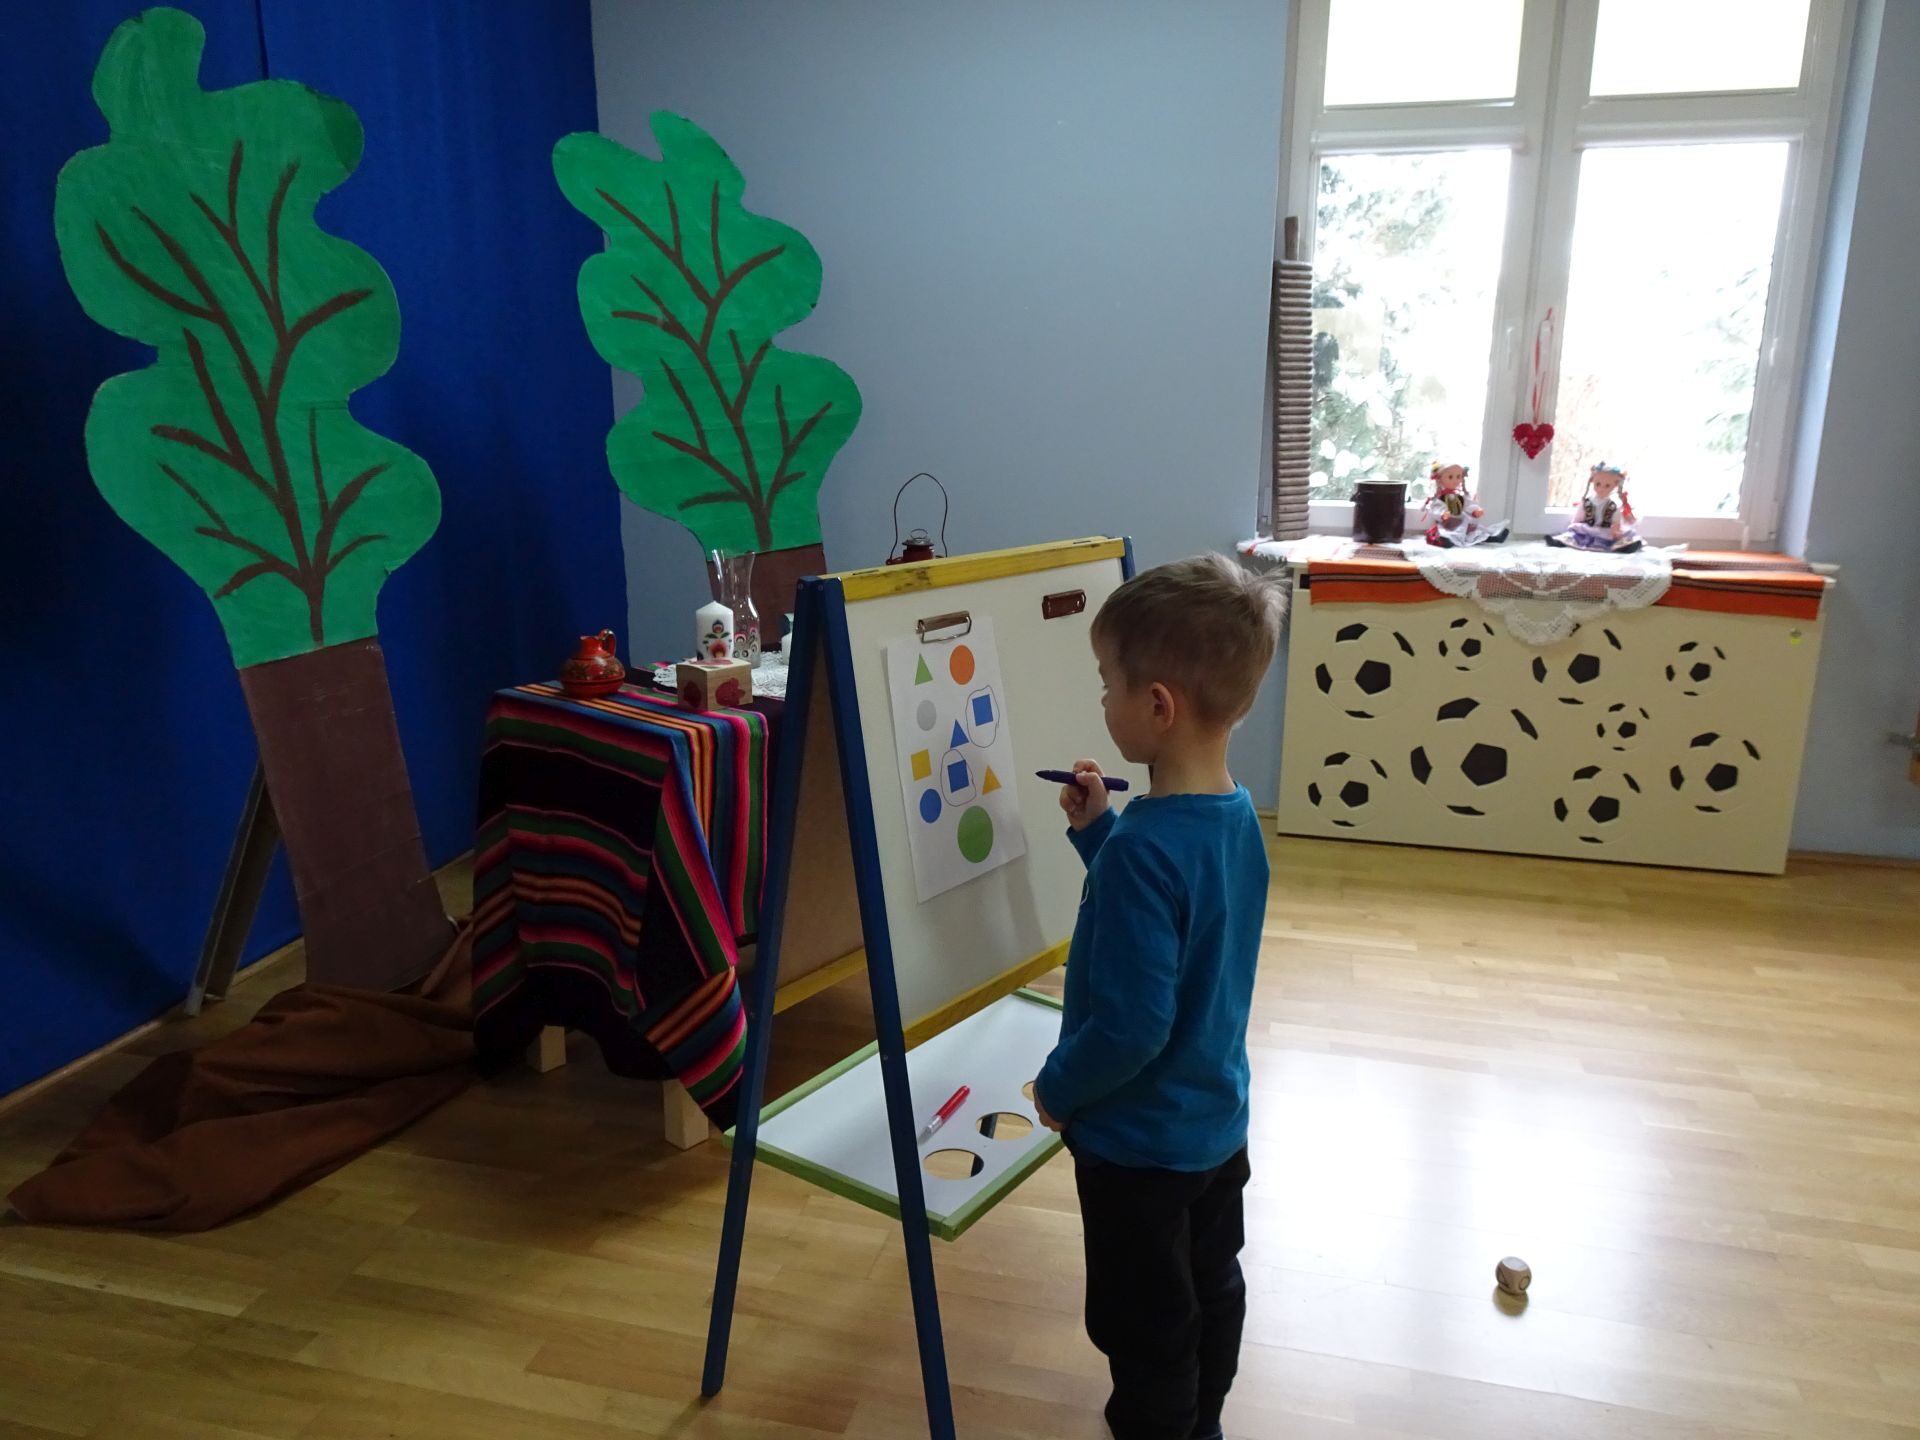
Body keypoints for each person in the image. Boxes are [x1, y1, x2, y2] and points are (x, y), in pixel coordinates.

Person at [1032, 554, 1284, 1440]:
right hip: (1214, 1124)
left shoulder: (1145, 852)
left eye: (1108, 681)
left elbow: (1135, 1025)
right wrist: (1099, 832)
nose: (1103, 698)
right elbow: (1186, 925)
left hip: (1137, 1148)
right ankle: (1202, 1424)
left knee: (1145, 1329)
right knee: (1212, 1289)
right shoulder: (1237, 818)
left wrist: (1057, 1087)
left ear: (1158, 706)